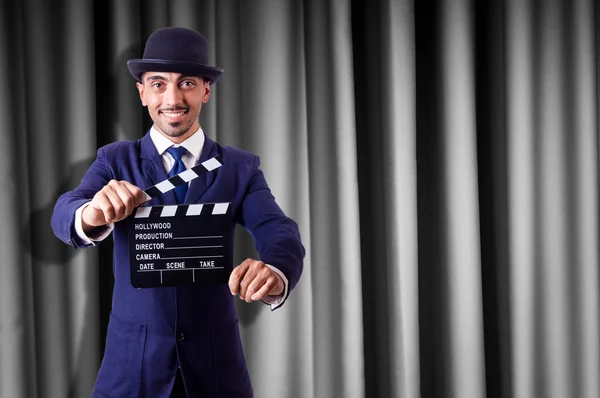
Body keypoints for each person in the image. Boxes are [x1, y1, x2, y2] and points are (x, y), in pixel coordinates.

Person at [51, 26, 304, 398]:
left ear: (205, 90)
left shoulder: (239, 167)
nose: (172, 97)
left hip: (216, 371)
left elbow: (278, 229)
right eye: (158, 84)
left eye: (186, 83)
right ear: (141, 93)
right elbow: (64, 212)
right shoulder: (115, 160)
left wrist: (275, 270)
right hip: (132, 369)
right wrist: (91, 212)